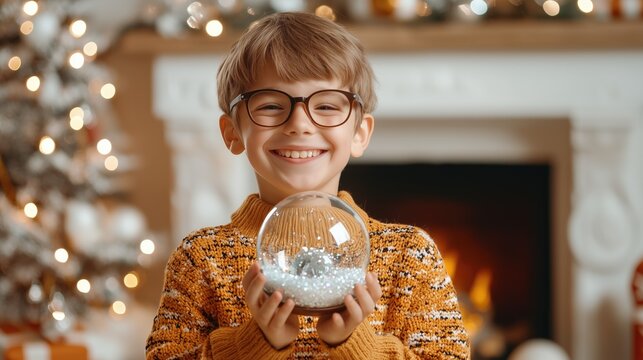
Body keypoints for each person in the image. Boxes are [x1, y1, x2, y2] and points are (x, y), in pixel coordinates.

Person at [146, 12, 470, 359]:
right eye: (271, 105)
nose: (300, 124)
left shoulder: (409, 255)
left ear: (359, 134)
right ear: (232, 134)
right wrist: (253, 343)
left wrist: (355, 346)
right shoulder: (200, 259)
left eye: (327, 105)